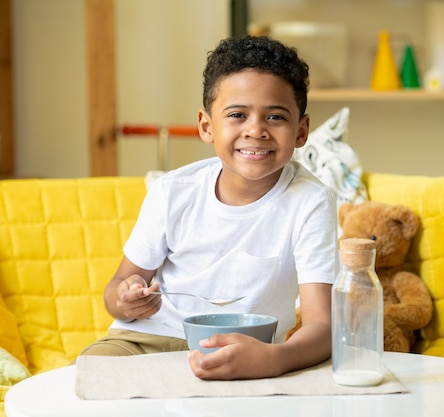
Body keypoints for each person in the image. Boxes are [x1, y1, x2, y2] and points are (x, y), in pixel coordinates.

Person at [80, 35, 338, 381]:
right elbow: (118, 289)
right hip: (146, 340)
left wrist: (274, 359)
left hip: (246, 351)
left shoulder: (310, 202)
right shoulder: (173, 191)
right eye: (237, 115)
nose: (256, 130)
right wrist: (125, 300)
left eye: (275, 117)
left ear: (301, 131)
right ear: (206, 125)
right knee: (83, 379)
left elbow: (323, 325)